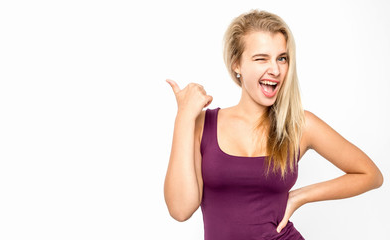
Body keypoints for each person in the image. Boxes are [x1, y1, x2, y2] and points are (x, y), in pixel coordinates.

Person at [163, 9, 383, 240]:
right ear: (236, 64)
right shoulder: (201, 124)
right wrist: (184, 116)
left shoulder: (300, 126)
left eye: (282, 58)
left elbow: (370, 174)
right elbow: (180, 210)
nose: (276, 70)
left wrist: (301, 196)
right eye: (261, 58)